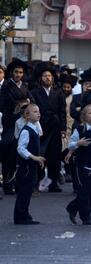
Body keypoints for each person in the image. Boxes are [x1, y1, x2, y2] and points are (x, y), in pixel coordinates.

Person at [0, 58, 35, 196]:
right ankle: (8, 184)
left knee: (21, 153)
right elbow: (5, 104)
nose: (18, 75)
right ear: (11, 73)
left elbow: (32, 102)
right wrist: (22, 103)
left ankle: (19, 182)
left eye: (21, 72)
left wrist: (24, 103)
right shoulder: (6, 86)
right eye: (16, 72)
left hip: (24, 123)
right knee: (9, 153)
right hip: (10, 123)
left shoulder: (25, 86)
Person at [31, 62, 67, 192]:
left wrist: (63, 128)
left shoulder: (58, 92)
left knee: (55, 156)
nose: (48, 78)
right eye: (45, 75)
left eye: (50, 76)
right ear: (41, 78)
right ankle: (39, 182)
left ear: (53, 78)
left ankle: (53, 183)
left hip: (55, 126)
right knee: (40, 154)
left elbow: (63, 112)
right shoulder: (34, 92)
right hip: (40, 127)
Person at [14, 104, 46, 225]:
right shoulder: (26, 130)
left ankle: (24, 214)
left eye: (38, 111)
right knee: (24, 191)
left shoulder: (35, 127)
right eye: (34, 111)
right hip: (26, 166)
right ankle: (20, 216)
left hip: (31, 165)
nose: (38, 113)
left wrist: (38, 160)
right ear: (27, 115)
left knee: (28, 191)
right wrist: (33, 157)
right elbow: (21, 148)